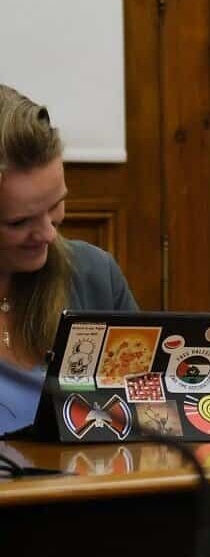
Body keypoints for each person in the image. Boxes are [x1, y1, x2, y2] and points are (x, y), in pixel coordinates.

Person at [0, 85, 139, 436]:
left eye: (55, 205)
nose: (48, 234)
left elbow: (142, 418)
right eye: (19, 222)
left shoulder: (94, 275)